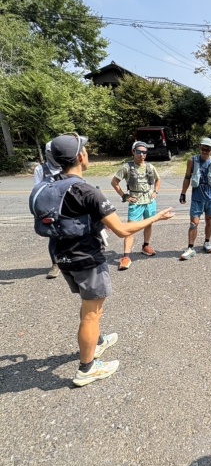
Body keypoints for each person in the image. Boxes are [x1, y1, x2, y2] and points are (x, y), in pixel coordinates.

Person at [48, 133, 174, 387]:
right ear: (80, 157)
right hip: (86, 258)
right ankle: (87, 368)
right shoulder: (86, 191)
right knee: (91, 314)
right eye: (85, 150)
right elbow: (122, 230)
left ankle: (97, 341)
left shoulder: (52, 186)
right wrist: (157, 217)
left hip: (62, 255)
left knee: (90, 306)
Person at [111, 141, 161, 270]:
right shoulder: (126, 167)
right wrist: (124, 196)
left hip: (149, 200)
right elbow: (114, 182)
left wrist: (155, 191)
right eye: (139, 152)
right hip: (135, 201)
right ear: (133, 152)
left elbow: (157, 179)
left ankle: (146, 246)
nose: (142, 155)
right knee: (130, 228)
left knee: (148, 224)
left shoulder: (150, 166)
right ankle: (126, 256)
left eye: (144, 152)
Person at [179, 137, 211, 260]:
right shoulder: (192, 161)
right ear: (199, 148)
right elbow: (187, 177)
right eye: (203, 148)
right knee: (193, 223)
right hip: (197, 197)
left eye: (208, 149)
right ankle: (190, 248)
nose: (205, 151)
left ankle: (207, 242)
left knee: (209, 220)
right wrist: (183, 193)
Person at [33, 141, 63, 279]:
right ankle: (55, 264)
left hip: (67, 206)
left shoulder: (67, 165)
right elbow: (38, 190)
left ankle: (71, 261)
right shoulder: (41, 169)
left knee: (73, 233)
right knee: (53, 236)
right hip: (51, 209)